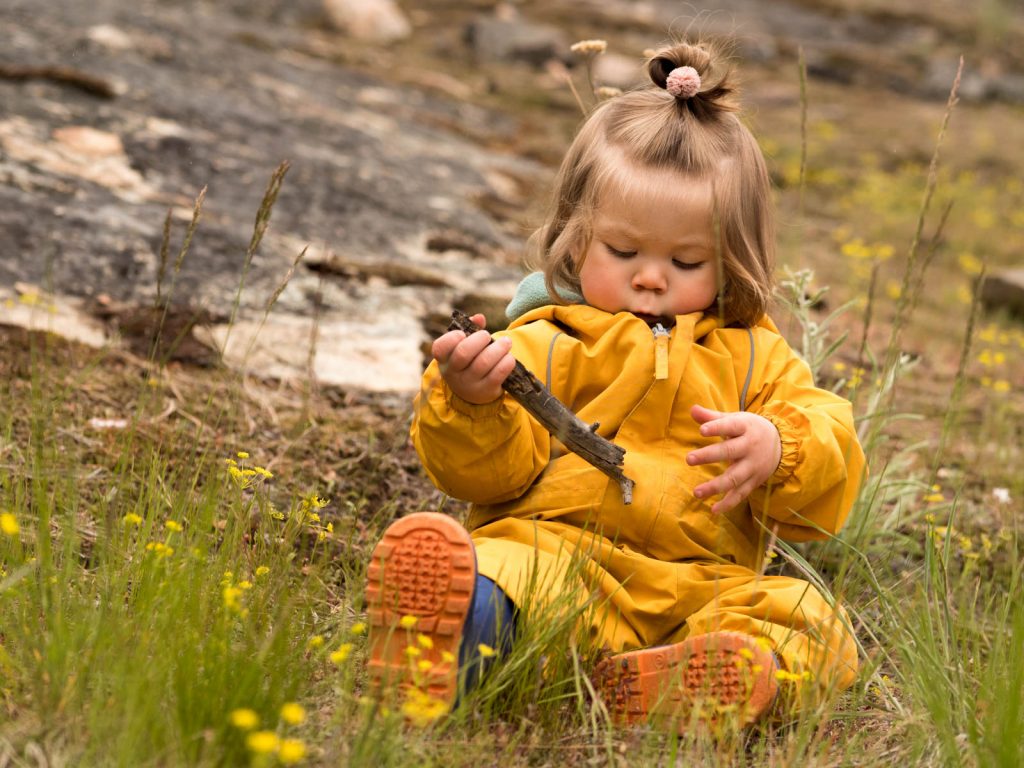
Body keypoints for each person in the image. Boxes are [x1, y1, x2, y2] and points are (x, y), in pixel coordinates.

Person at [366, 37, 867, 731]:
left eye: (687, 260)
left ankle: (690, 687)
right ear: (576, 241)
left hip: (703, 592)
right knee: (494, 581)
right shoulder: (544, 343)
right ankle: (443, 644)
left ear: (735, 260)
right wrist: (473, 401)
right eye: (624, 251)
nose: (650, 276)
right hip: (560, 567)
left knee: (812, 623)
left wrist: (781, 450)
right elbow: (479, 477)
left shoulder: (758, 360)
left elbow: (823, 489)